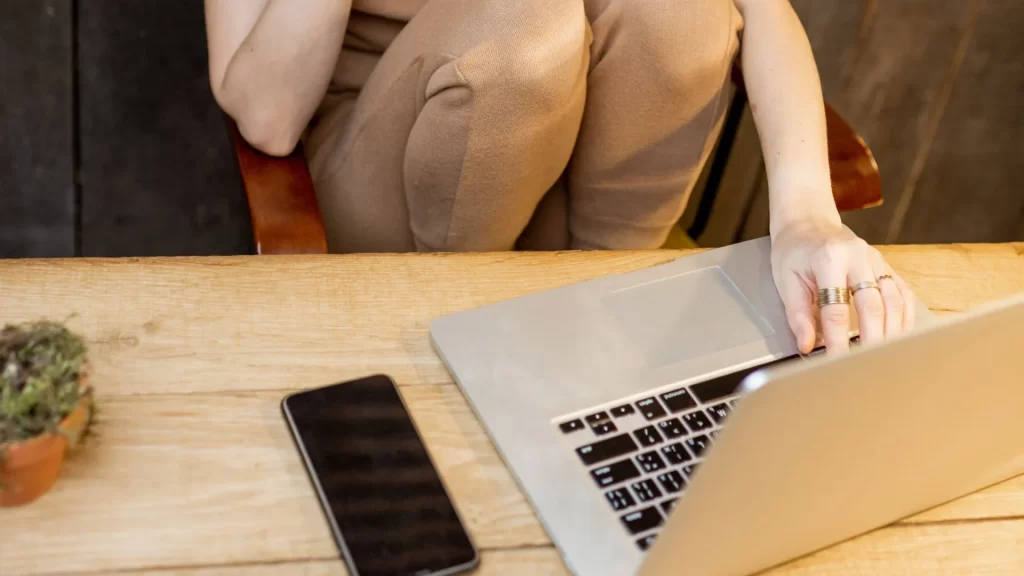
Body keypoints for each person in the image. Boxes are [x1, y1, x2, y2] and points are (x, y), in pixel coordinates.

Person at [205, 0, 917, 355]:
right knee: (526, 31)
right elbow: (266, 115)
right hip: (391, 171)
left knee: (682, 11)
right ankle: (476, 357)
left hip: (581, 193)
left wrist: (806, 216)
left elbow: (763, 13)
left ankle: (605, 325)